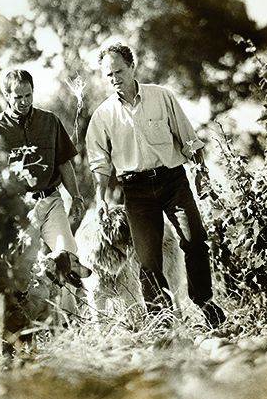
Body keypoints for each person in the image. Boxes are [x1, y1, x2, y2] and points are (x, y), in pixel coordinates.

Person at [86, 43, 225, 327]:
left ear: (132, 67)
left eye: (119, 71)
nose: (115, 79)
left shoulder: (162, 97)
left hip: (172, 181)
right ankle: (160, 321)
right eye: (109, 74)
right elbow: (100, 163)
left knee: (194, 241)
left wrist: (201, 174)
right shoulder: (102, 116)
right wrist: (100, 197)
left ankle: (205, 303)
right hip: (135, 191)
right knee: (148, 261)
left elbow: (189, 140)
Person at [0, 69, 85, 315]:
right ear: (6, 96)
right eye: (17, 97)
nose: (24, 102)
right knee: (24, 266)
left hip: (51, 201)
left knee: (68, 255)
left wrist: (77, 196)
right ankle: (30, 324)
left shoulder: (50, 121)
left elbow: (64, 162)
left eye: (28, 95)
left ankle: (71, 323)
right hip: (20, 209)